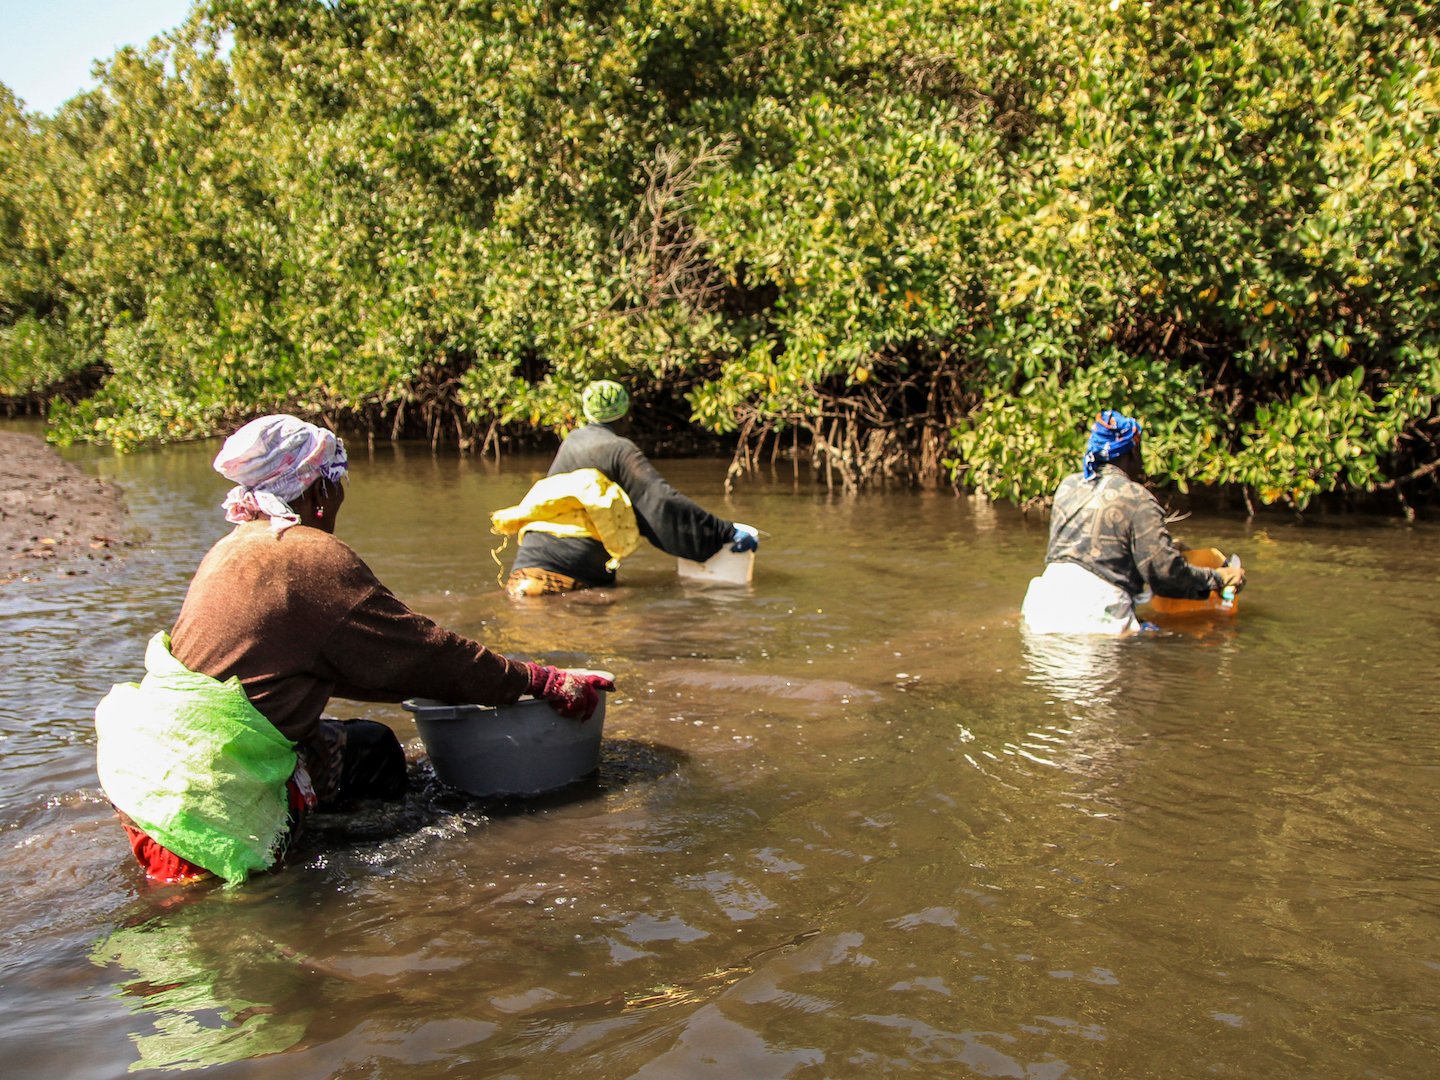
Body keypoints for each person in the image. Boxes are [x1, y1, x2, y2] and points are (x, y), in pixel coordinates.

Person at [94, 414, 614, 885]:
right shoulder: (309, 556)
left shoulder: (233, 547)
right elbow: (425, 653)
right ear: (318, 489)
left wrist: (445, 685)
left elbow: (345, 667)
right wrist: (540, 681)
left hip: (147, 777)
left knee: (369, 748)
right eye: (337, 483)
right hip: (212, 798)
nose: (341, 497)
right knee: (302, 870)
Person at [493, 380, 759, 598]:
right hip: (569, 579)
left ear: (588, 413)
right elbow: (659, 501)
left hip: (524, 571)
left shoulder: (572, 442)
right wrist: (725, 531)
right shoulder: (619, 449)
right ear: (625, 415)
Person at [1020, 409, 1246, 634]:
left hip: (1041, 609)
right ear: (1132, 453)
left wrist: (1166, 547)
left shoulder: (1068, 487)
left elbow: (1089, 555)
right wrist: (1218, 578)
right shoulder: (1138, 498)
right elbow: (1165, 576)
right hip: (1094, 615)